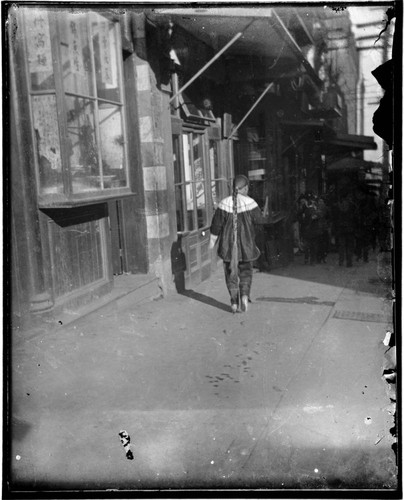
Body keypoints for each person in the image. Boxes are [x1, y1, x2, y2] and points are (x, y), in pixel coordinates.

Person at [209, 175, 262, 313]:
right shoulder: (251, 203)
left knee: (230, 274)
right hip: (246, 247)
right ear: (244, 188)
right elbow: (260, 221)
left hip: (228, 248)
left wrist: (212, 241)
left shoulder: (223, 203)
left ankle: (234, 302)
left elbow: (216, 226)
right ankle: (244, 295)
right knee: (246, 272)